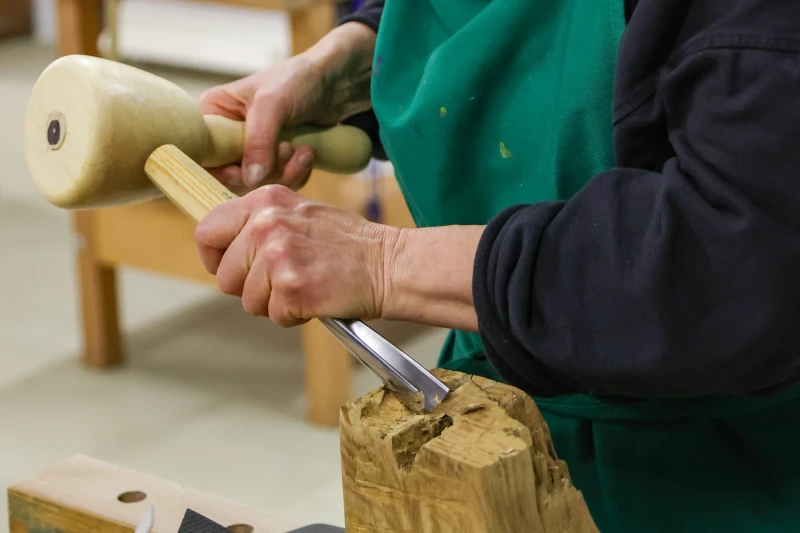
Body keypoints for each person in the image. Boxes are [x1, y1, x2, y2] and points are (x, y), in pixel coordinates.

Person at [195, 0, 800, 531]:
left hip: (730, 469)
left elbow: (736, 259)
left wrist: (384, 262)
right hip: (499, 424)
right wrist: (352, 62)